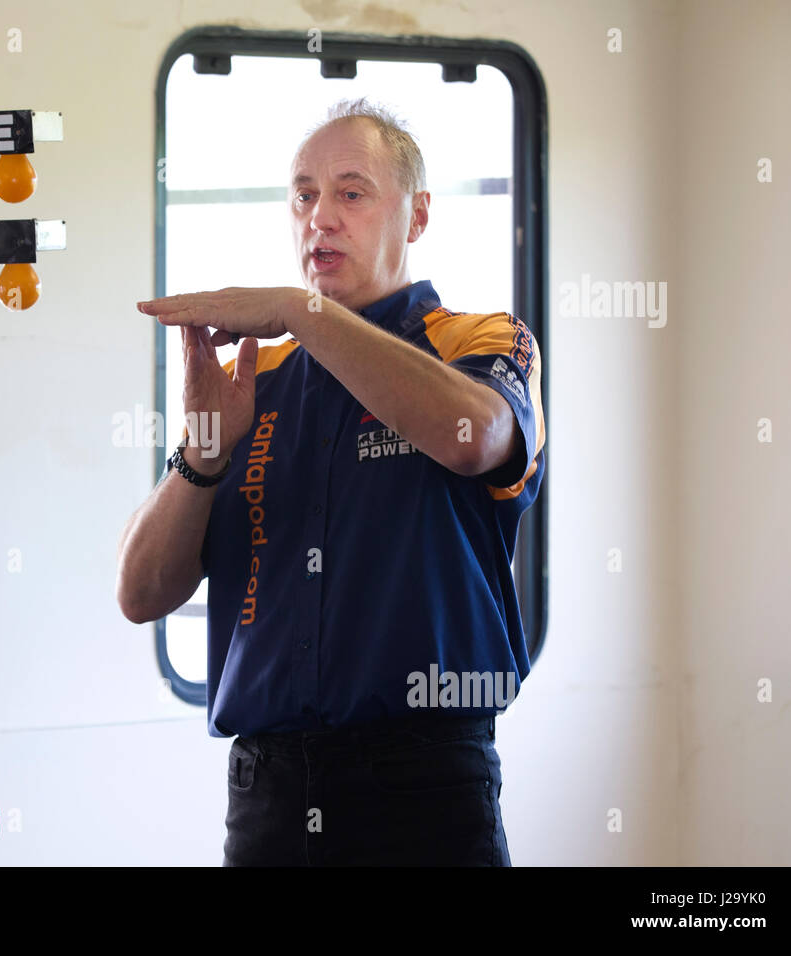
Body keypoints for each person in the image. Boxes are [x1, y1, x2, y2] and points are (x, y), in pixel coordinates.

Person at [116, 98, 545, 866]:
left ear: (415, 218)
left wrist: (297, 309)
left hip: (427, 785)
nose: (321, 217)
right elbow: (140, 592)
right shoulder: (257, 379)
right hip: (268, 794)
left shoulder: (479, 341)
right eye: (304, 195)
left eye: (351, 192)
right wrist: (205, 450)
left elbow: (476, 438)